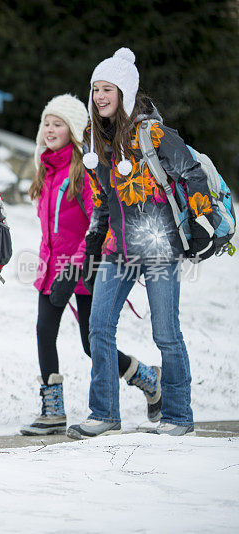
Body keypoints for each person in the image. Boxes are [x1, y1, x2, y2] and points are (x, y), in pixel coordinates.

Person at [67, 48, 215, 439]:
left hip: (160, 247)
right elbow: (101, 195)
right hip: (118, 250)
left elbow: (193, 173)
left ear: (125, 93)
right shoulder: (92, 138)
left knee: (166, 333)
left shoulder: (153, 134)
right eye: (95, 89)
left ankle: (178, 416)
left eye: (107, 89)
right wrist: (95, 239)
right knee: (98, 328)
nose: (100, 96)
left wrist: (200, 221)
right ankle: (104, 413)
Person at [21, 95, 161, 436]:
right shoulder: (45, 168)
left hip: (83, 268)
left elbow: (96, 224)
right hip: (51, 267)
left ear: (73, 129)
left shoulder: (83, 169)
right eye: (47, 124)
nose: (51, 130)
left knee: (90, 342)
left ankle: (147, 377)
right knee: (43, 331)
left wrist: (76, 269)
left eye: (58, 124)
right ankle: (52, 409)